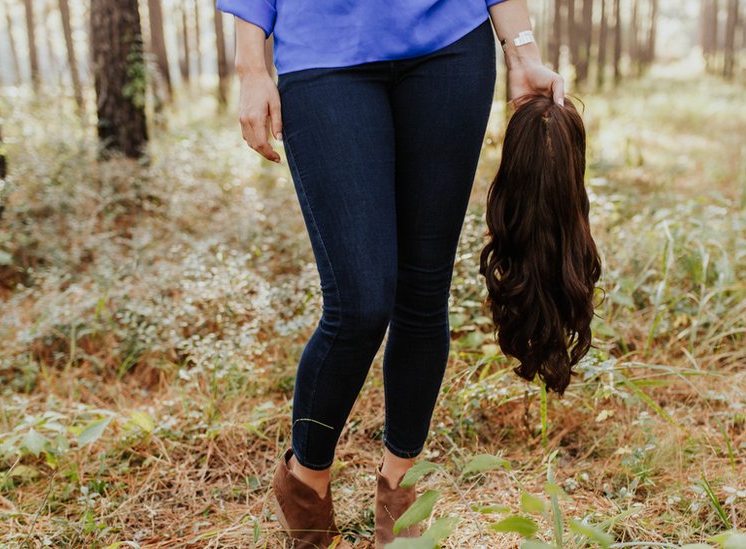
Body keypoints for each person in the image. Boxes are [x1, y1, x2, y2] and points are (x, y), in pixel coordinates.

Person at [215, 0, 565, 546]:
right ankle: (306, 481)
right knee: (359, 303)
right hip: (323, 53)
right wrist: (251, 67)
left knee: (423, 291)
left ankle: (400, 494)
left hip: (450, 46)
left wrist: (522, 50)